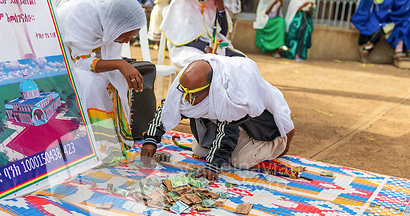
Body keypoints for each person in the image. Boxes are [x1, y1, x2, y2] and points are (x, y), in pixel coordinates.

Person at [140, 54, 295, 181]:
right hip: (237, 125)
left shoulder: (231, 94)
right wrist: (151, 139)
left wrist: (213, 166)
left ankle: (278, 144)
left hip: (261, 129)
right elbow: (168, 108)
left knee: (240, 161)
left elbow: (228, 130)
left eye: (193, 95)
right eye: (184, 92)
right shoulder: (189, 84)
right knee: (199, 149)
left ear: (211, 89)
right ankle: (232, 146)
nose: (186, 98)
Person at [56, 0, 146, 164]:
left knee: (117, 79)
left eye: (131, 38)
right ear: (114, 26)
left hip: (81, 61)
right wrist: (120, 64)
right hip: (60, 63)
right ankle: (97, 147)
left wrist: (120, 67)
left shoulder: (111, 20)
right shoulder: (82, 14)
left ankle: (114, 142)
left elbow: (108, 58)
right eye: (125, 36)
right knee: (94, 83)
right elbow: (81, 61)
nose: (126, 42)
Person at [159, 0, 245, 68]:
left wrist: (220, 8)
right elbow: (181, 37)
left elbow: (223, 32)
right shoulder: (180, 4)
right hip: (187, 49)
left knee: (243, 62)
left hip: (214, 48)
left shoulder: (211, 4)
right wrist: (205, 47)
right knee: (209, 65)